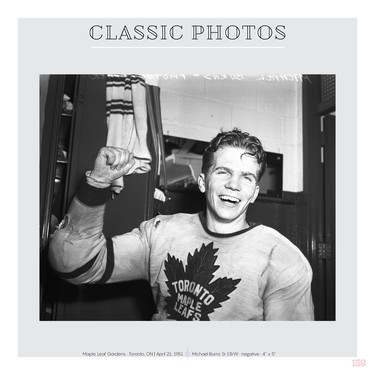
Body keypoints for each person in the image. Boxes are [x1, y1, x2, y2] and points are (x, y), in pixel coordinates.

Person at [49, 128, 314, 321]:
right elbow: (74, 266)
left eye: (246, 177)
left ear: (255, 192)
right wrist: (97, 183)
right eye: (223, 172)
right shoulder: (161, 232)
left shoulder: (282, 259)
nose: (234, 185)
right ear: (202, 182)